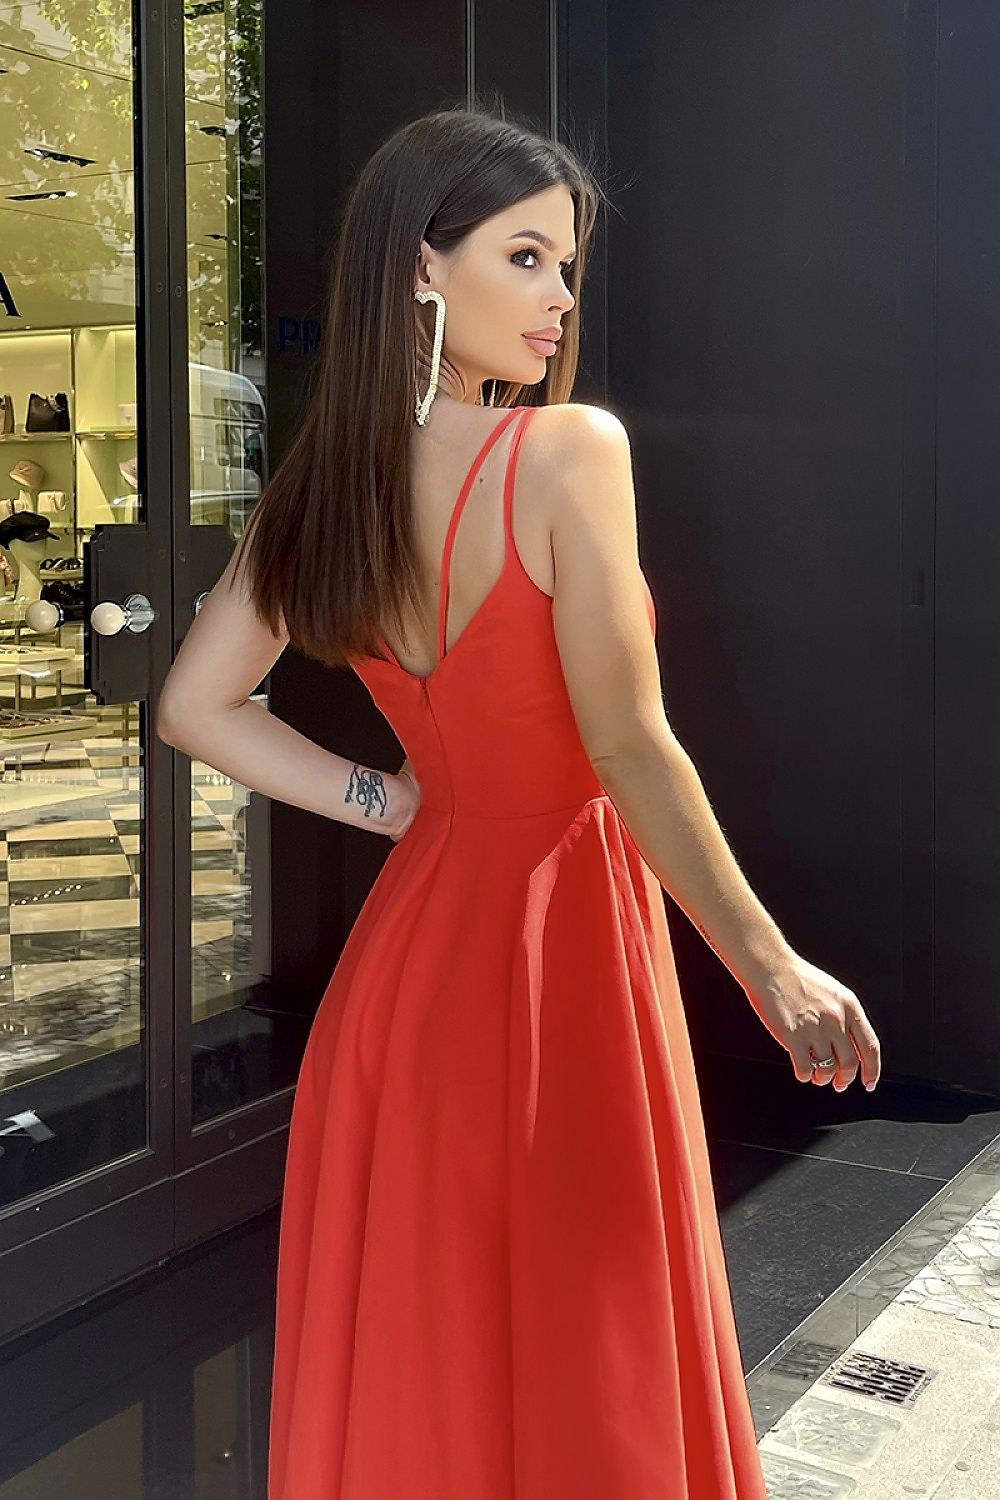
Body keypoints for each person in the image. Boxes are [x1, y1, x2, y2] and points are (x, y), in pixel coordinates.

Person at [157, 104, 881, 1500]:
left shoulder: (321, 491)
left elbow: (195, 706)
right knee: (581, 1334)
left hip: (414, 963)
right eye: (527, 256)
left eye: (568, 268)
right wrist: (770, 964)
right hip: (565, 955)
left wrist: (399, 804)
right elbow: (631, 748)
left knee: (434, 1350)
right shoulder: (567, 452)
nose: (559, 299)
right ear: (421, 267)